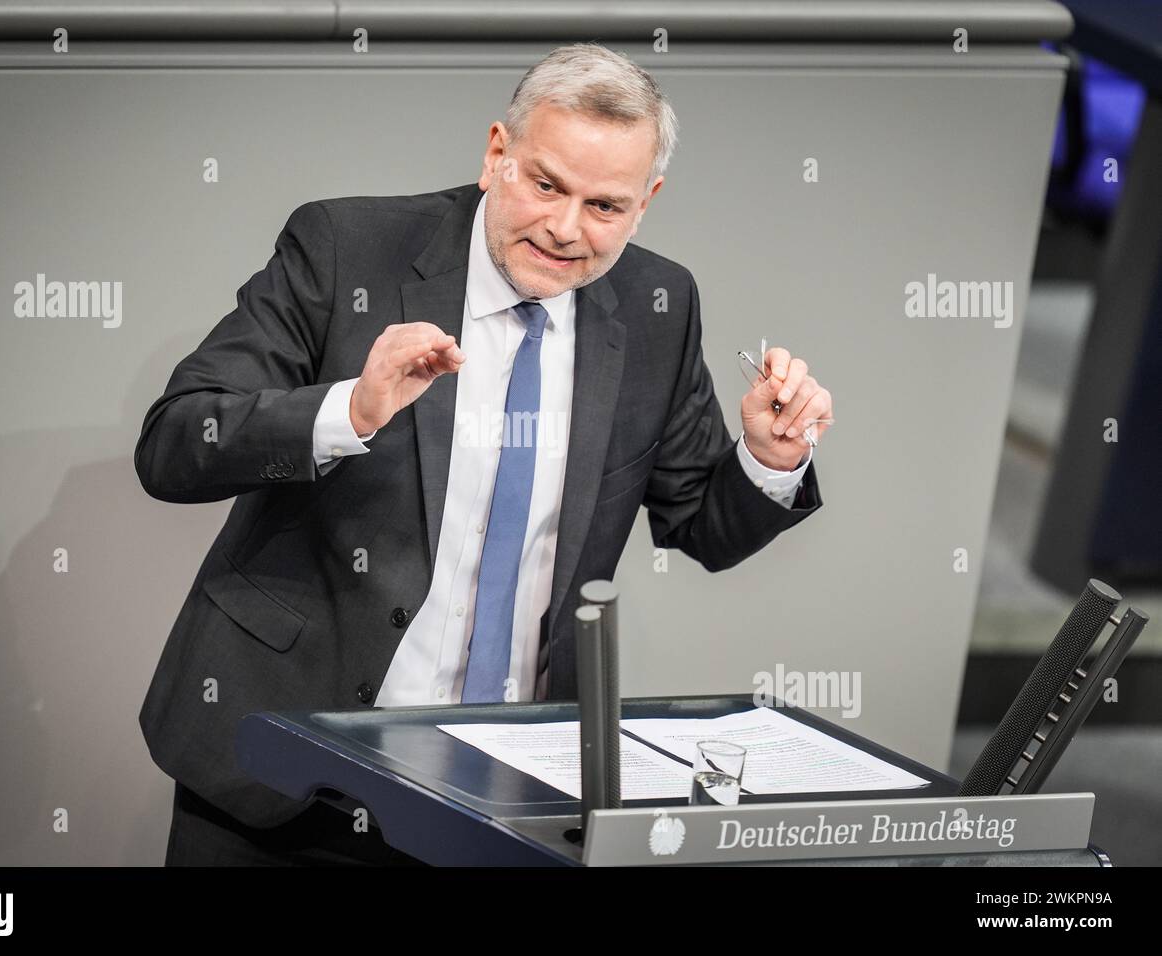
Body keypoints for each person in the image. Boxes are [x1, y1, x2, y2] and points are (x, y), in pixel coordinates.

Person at [135, 41, 833, 866]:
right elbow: (177, 443)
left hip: (504, 797)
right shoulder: (346, 246)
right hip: (292, 771)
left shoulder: (658, 305)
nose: (567, 229)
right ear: (498, 152)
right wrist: (349, 410)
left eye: (605, 206)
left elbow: (700, 527)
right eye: (545, 185)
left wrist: (768, 458)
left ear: (647, 201)